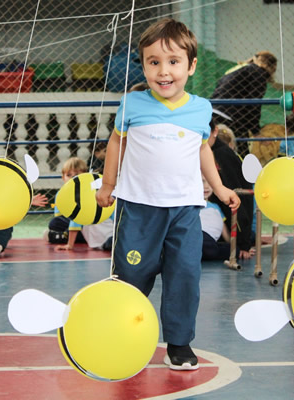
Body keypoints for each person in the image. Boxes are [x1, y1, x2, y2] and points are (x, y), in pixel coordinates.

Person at [95, 18, 240, 371]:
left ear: (190, 66)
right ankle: (123, 334)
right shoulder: (133, 104)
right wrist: (108, 184)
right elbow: (117, 141)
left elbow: (202, 150)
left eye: (173, 62)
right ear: (142, 64)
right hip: (139, 208)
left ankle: (178, 344)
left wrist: (219, 187)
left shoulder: (200, 108)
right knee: (131, 276)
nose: (163, 72)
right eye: (153, 62)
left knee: (184, 275)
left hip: (184, 211)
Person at [211, 51, 277, 157]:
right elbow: (254, 103)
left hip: (213, 111)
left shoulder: (238, 68)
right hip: (229, 115)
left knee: (216, 151)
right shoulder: (259, 73)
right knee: (241, 155)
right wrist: (256, 132)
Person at [208, 118, 254, 259]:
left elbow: (238, 198)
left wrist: (242, 244)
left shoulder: (222, 155)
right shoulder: (211, 151)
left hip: (234, 225)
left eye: (204, 134)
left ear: (214, 131)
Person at [45, 157, 89, 245]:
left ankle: (65, 236)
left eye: (76, 175)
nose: (72, 178)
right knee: (55, 222)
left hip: (87, 223)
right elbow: (60, 216)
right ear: (63, 178)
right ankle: (73, 236)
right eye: (69, 175)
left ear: (85, 176)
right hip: (70, 221)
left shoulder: (89, 191)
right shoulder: (60, 194)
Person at [200, 175, 231, 261]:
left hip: (210, 241)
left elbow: (224, 230)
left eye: (210, 183)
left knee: (232, 250)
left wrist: (235, 248)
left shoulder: (215, 207)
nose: (206, 187)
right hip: (197, 235)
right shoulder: (190, 204)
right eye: (202, 182)